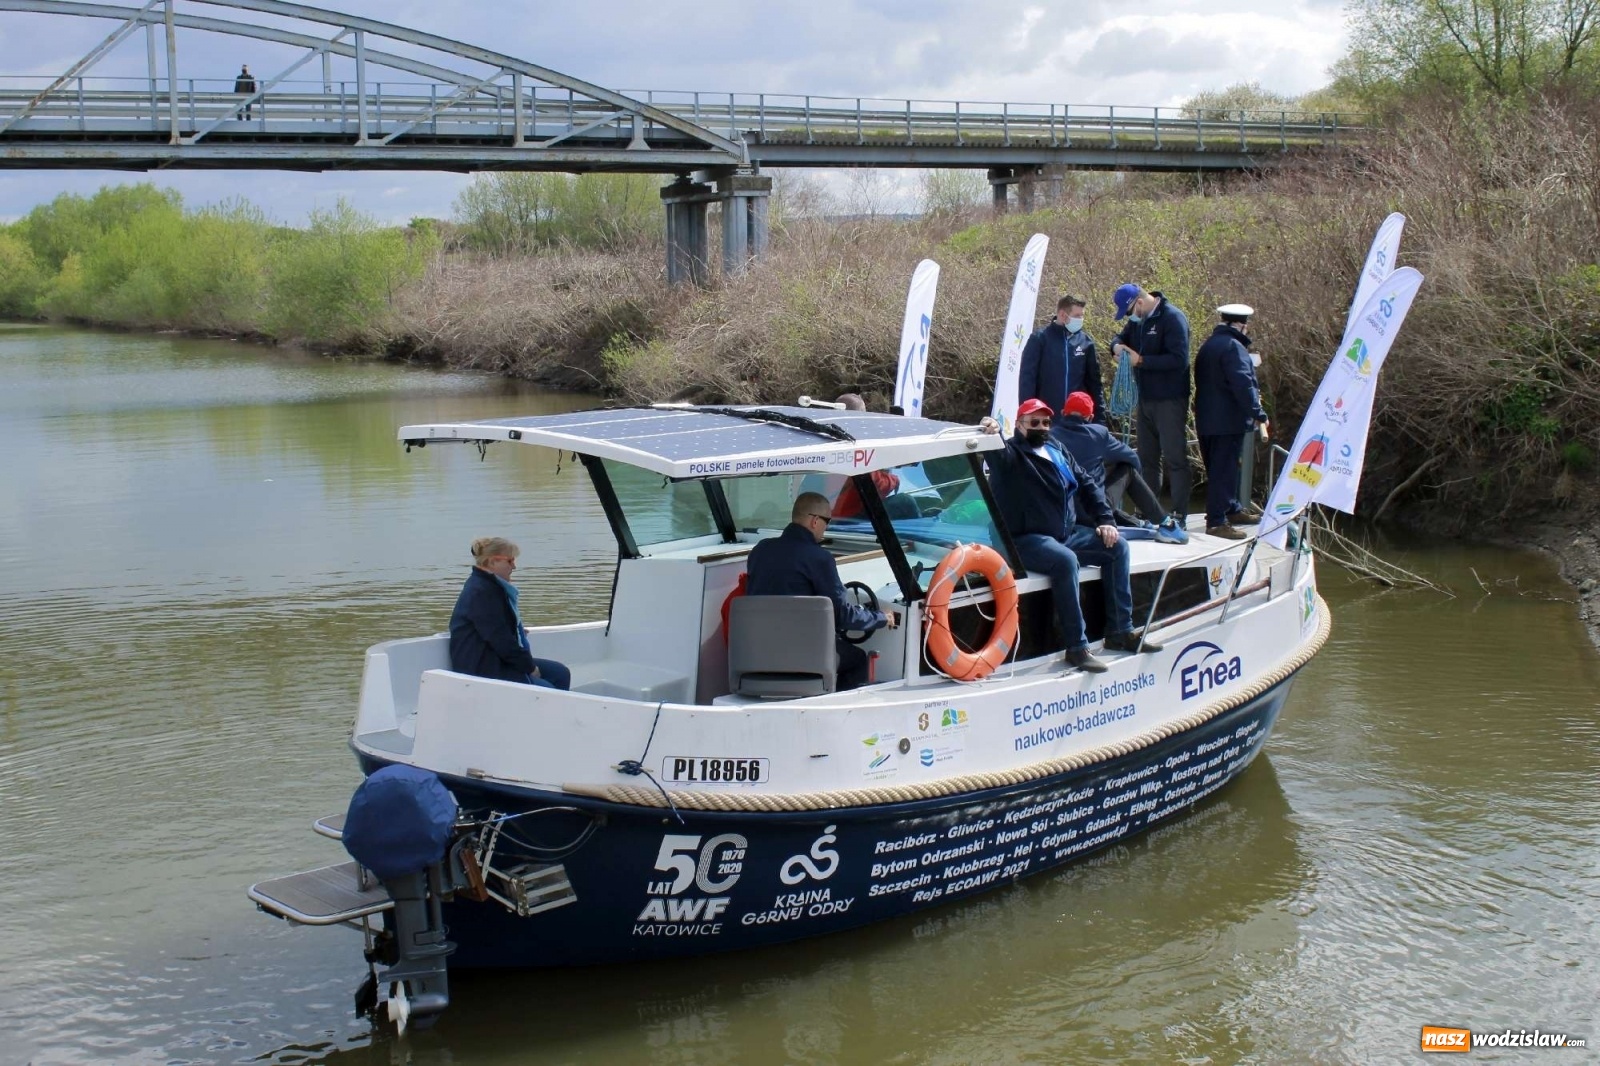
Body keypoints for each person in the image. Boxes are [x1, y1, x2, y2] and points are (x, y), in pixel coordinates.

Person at [987, 399, 1163, 673]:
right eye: (1035, 422)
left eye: (1046, 422)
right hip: (1025, 539)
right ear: (1020, 425)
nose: (1042, 427)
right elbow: (994, 456)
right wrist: (994, 431)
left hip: (1064, 534)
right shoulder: (1010, 453)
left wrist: (1105, 520)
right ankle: (1077, 647)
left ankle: (1120, 631)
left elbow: (1087, 484)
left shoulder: (1056, 448)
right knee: (1066, 561)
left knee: (1118, 547)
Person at [745, 492, 900, 691]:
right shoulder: (819, 559)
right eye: (827, 521)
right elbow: (843, 616)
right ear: (815, 521)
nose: (827, 528)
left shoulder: (760, 551)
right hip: (803, 654)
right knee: (858, 659)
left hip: (761, 651)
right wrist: (880, 617)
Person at [1053, 391, 1188, 544]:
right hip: (1094, 512)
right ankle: (1165, 524)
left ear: (1063, 413)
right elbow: (1132, 459)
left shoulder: (1050, 437)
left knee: (1096, 493)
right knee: (1126, 470)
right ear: (1090, 417)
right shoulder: (1099, 434)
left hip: (1064, 515)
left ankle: (1138, 523)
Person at [1110, 283, 1192, 523]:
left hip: (1170, 399)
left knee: (1175, 457)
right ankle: (1148, 509)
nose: (1129, 318)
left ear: (1140, 303)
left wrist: (1142, 360)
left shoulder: (1173, 318)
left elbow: (1179, 360)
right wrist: (1116, 347)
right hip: (1144, 398)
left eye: (1129, 312)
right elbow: (1119, 337)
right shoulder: (1138, 321)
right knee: (1147, 458)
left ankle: (1178, 512)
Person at [449, 537, 571, 689]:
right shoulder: (481, 592)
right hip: (482, 667)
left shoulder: (491, 586)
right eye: (510, 561)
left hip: (496, 658)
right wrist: (530, 667)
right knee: (546, 688)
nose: (514, 566)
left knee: (560, 673)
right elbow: (501, 640)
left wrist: (516, 631)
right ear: (492, 562)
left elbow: (498, 630)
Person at [1194, 303, 1270, 540]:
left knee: (1222, 467)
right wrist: (1258, 413)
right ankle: (1217, 521)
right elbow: (1243, 384)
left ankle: (1232, 508)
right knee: (1224, 469)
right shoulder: (1234, 348)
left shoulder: (1208, 346)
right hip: (1227, 421)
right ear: (1241, 325)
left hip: (1207, 419)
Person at [1019, 294, 1107, 429]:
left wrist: (1100, 421)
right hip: (1047, 420)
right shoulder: (1040, 339)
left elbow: (1094, 383)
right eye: (1077, 316)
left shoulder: (1085, 342)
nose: (1081, 319)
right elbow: (1027, 380)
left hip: (1078, 422)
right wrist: (1027, 415)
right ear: (1062, 314)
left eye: (1082, 315)